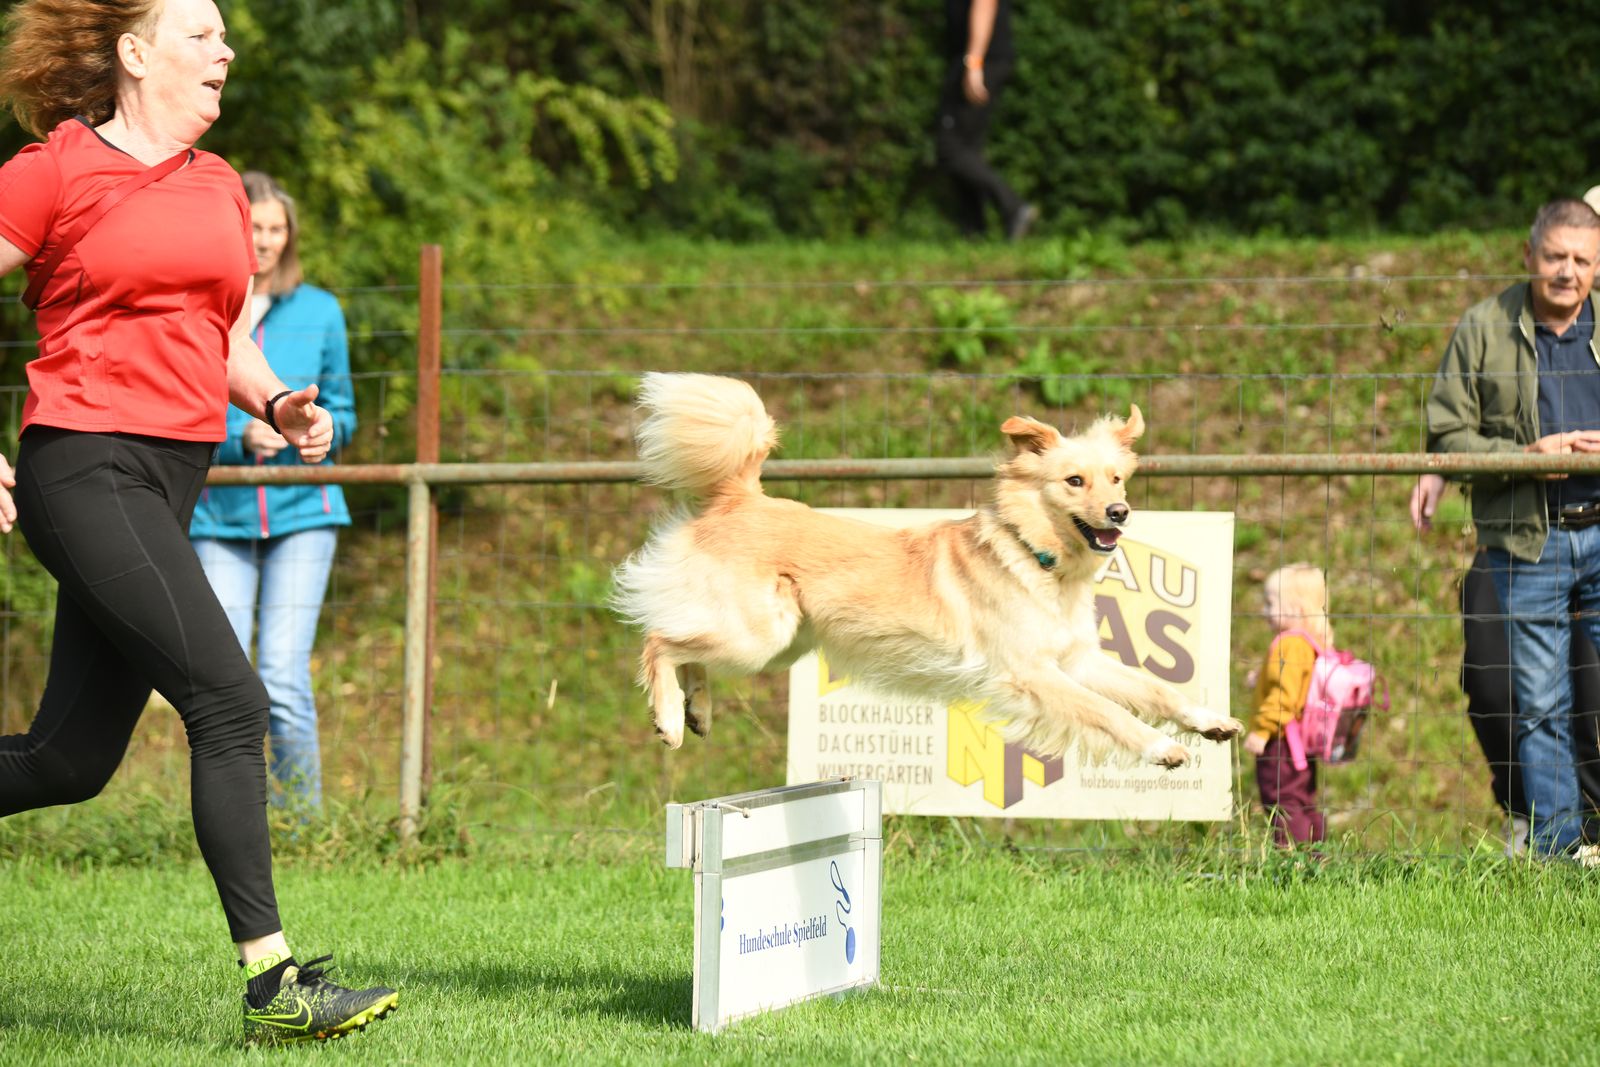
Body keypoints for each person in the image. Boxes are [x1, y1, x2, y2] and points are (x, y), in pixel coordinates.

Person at [0, 0, 396, 1044]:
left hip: (172, 478)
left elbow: (212, 332)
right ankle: (274, 985)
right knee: (229, 699)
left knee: (68, 760)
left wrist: (277, 401)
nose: (226, 50)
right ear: (135, 54)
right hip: (84, 465)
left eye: (225, 35)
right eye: (201, 33)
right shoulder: (54, 169)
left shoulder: (218, 183)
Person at [1425, 197, 1600, 860]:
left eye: (1581, 259)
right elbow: (1448, 432)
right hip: (1530, 538)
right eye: (1554, 256)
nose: (1567, 271)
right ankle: (1557, 853)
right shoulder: (1483, 327)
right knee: (1539, 704)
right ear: (1529, 255)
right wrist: (1523, 458)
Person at [189, 172, 355, 813]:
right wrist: (241, 438)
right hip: (218, 518)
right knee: (224, 679)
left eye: (276, 229)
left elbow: (344, 411)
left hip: (303, 514)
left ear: (290, 237)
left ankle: (301, 821)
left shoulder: (321, 310)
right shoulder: (200, 306)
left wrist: (320, 427)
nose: (264, 240)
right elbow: (181, 407)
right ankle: (237, 817)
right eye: (253, 227)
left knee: (283, 675)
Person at [1411, 475, 1600, 854]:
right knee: (1491, 681)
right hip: (1516, 528)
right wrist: (1438, 466)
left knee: (1590, 685)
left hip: (1593, 523)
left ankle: (1592, 824)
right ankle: (1532, 815)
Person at [1243, 563, 1330, 847]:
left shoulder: (1288, 644)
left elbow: (1285, 696)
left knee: (1282, 803)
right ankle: (1316, 854)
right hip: (1300, 746)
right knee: (1302, 801)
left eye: (1270, 603)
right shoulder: (1309, 642)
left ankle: (1295, 860)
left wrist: (1262, 730)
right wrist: (1261, 677)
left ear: (1295, 608)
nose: (1264, 611)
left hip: (1280, 742)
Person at [936, 0, 1037, 240]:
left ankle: (1013, 207)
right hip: (977, 59)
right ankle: (974, 231)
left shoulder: (977, 60)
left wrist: (974, 62)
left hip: (980, 61)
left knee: (948, 147)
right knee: (968, 146)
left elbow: (985, 4)